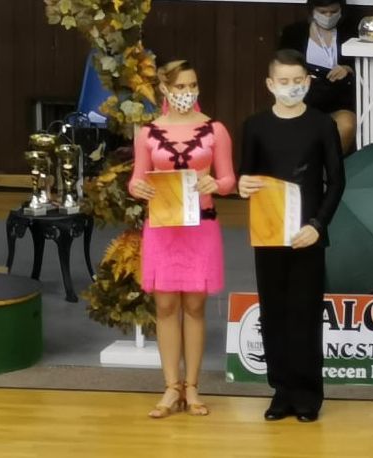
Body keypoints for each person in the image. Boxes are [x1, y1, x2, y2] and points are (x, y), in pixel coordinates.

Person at [238, 49, 345, 423]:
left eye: (297, 81)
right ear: (270, 84)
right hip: (268, 232)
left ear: (308, 82)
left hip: (307, 233)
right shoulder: (255, 125)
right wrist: (242, 185)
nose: (291, 87)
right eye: (283, 81)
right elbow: (246, 176)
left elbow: (336, 181)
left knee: (305, 313)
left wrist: (318, 225)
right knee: (274, 311)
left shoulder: (321, 124)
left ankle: (308, 394)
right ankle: (281, 390)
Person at [129, 60, 236, 418]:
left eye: (192, 85)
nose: (187, 93)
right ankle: (170, 386)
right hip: (162, 227)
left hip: (200, 226)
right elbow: (136, 178)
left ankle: (192, 386)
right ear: (164, 89)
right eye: (179, 87)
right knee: (165, 306)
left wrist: (215, 184)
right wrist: (138, 188)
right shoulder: (147, 133)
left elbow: (229, 180)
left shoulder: (215, 130)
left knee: (194, 306)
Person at [279, 0, 357, 154]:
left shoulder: (350, 32)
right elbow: (282, 66)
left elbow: (360, 64)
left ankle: (328, 166)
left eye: (333, 12)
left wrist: (348, 69)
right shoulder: (293, 33)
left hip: (338, 100)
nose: (328, 16)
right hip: (303, 100)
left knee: (347, 124)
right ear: (312, 10)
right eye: (323, 12)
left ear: (341, 10)